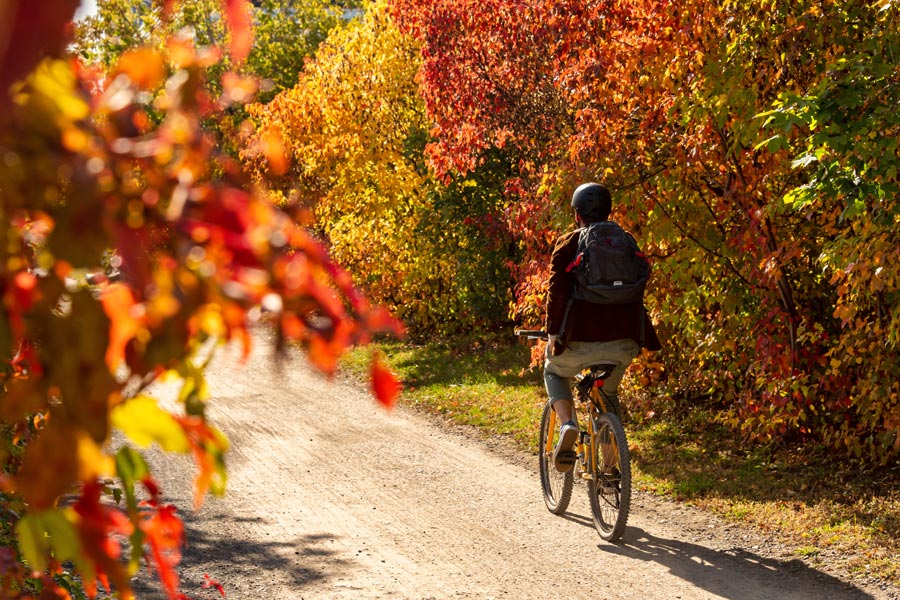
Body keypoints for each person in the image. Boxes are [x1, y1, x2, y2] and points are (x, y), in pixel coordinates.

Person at [544, 182, 661, 472]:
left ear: (576, 213)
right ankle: (610, 470)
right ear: (608, 211)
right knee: (607, 397)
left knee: (553, 370)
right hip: (625, 341)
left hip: (580, 339)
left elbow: (556, 293)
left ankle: (568, 425)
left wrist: (552, 335)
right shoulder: (626, 241)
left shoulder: (568, 243)